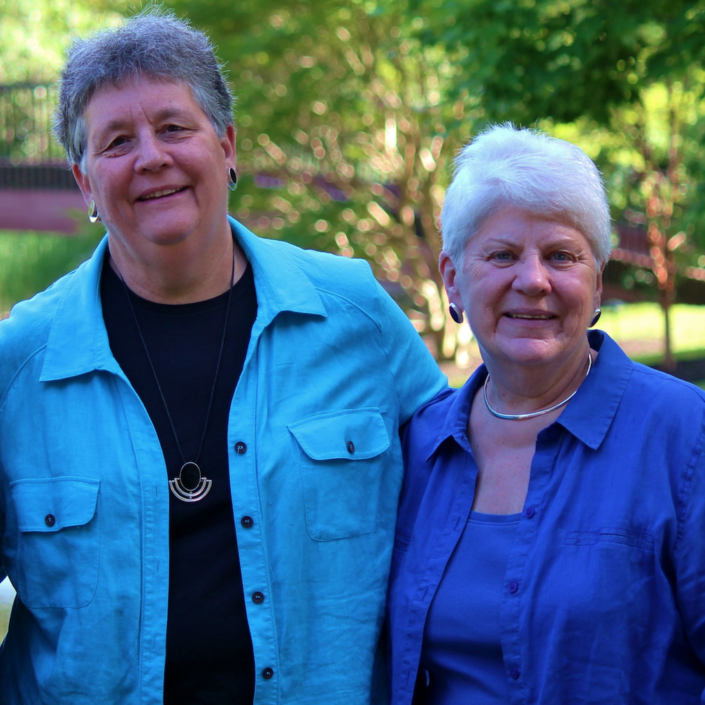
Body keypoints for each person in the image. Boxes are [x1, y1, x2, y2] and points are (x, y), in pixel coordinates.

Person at [0, 9, 447, 704]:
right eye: (116, 141)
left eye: (174, 127)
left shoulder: (355, 317)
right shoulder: (19, 363)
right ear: (85, 183)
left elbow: (464, 509)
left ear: (228, 145)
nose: (152, 156)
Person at [386, 124, 705, 704]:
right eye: (502, 255)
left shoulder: (685, 435)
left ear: (597, 281)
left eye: (561, 255)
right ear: (453, 280)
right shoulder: (417, 445)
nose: (533, 281)